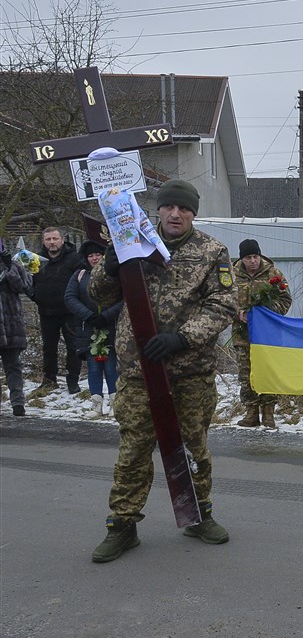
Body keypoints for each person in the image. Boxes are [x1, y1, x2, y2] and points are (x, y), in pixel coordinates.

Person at [88, 179, 238, 563]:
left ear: (193, 213)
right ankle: (122, 526)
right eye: (169, 206)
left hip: (190, 372)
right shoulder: (131, 243)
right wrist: (108, 265)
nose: (175, 214)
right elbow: (99, 296)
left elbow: (223, 305)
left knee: (192, 448)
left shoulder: (212, 251)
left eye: (184, 208)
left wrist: (182, 338)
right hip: (139, 370)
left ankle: (197, 514)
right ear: (158, 210)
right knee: (133, 449)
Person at [232, 238, 292, 428]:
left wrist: (266, 313)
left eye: (255, 256)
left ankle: (268, 412)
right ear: (242, 259)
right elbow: (222, 300)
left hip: (268, 336)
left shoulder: (273, 273)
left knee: (268, 372)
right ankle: (251, 412)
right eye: (248, 257)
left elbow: (286, 300)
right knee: (245, 373)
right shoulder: (231, 275)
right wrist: (238, 313)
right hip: (243, 336)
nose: (253, 261)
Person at [63, 240, 122, 417]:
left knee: (112, 367)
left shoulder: (115, 274)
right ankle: (96, 405)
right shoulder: (79, 275)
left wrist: (106, 315)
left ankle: (115, 404)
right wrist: (89, 316)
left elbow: (124, 299)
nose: (94, 258)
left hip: (111, 326)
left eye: (98, 254)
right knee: (94, 367)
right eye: (91, 255)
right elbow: (70, 298)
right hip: (87, 328)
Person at [27, 226, 81, 395]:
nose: (52, 242)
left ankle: (73, 380)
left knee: (73, 347)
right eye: (48, 239)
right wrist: (36, 296)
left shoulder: (74, 259)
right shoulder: (36, 259)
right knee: (49, 348)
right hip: (46, 312)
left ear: (62, 240)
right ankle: (49, 380)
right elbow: (28, 282)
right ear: (44, 242)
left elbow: (81, 282)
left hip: (69, 311)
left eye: (55, 239)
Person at [1, 242, 32, 416]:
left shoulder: (13, 264)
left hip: (11, 324)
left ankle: (18, 402)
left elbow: (21, 286)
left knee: (13, 365)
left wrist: (9, 265)